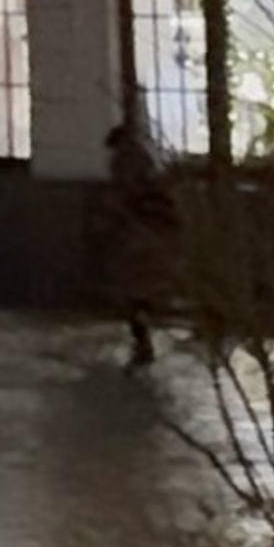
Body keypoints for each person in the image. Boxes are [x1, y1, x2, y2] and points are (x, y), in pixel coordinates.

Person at [99, 102, 169, 370]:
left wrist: (112, 219)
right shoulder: (145, 156)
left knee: (134, 289)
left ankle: (142, 339)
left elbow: (123, 193)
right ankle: (144, 333)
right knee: (143, 288)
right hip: (149, 230)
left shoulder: (126, 161)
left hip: (137, 232)